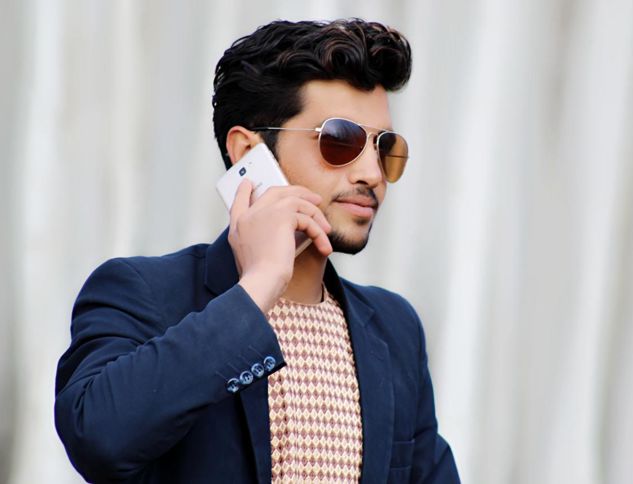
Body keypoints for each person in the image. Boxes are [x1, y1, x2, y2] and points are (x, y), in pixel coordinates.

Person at [54, 18, 460, 483]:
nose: (371, 173)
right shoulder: (144, 293)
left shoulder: (395, 328)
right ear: (249, 152)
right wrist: (259, 285)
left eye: (385, 147)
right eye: (340, 140)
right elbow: (97, 437)